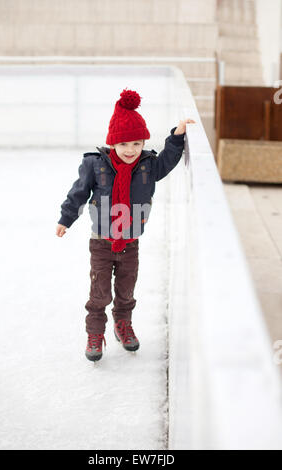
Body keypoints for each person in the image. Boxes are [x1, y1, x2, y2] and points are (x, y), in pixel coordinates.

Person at [56, 88, 195, 362]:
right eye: (124, 144)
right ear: (112, 144)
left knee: (126, 290)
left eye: (137, 144)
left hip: (131, 243)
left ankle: (124, 325)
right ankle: (95, 334)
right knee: (99, 294)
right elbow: (79, 193)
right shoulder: (96, 165)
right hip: (101, 242)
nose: (131, 150)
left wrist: (177, 135)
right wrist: (66, 218)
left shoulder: (147, 166)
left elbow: (168, 160)